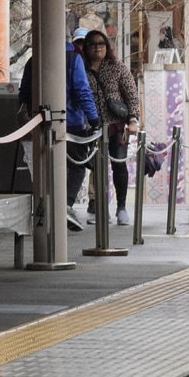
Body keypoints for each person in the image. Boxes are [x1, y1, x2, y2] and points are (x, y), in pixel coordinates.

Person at [82, 28, 140, 226]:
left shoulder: (117, 67)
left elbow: (131, 94)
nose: (97, 47)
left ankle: (121, 207)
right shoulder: (81, 68)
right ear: (86, 47)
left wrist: (133, 120)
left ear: (107, 46)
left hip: (117, 125)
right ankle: (100, 208)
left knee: (119, 164)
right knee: (97, 167)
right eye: (92, 44)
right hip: (92, 126)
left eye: (101, 43)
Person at [66, 28, 102, 230]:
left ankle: (50, 207)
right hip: (71, 122)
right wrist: (94, 119)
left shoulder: (36, 58)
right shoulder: (73, 59)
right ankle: (65, 205)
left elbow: (25, 91)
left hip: (38, 122)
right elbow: (82, 91)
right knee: (77, 166)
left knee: (48, 168)